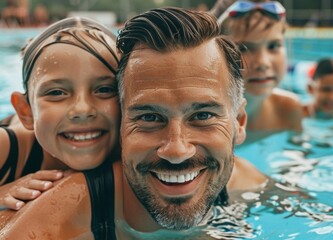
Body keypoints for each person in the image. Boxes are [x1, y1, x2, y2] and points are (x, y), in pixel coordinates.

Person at [0, 7, 267, 238]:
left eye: (203, 116)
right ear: (27, 111)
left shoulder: (244, 179)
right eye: (150, 117)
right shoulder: (16, 154)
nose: (82, 110)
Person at [0, 17, 120, 210]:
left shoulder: (137, 152)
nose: (82, 110)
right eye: (56, 93)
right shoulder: (8, 149)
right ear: (26, 111)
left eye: (104, 89)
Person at [214, 0, 303, 144]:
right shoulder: (206, 122)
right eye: (244, 48)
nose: (263, 63)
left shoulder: (287, 109)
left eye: (273, 45)